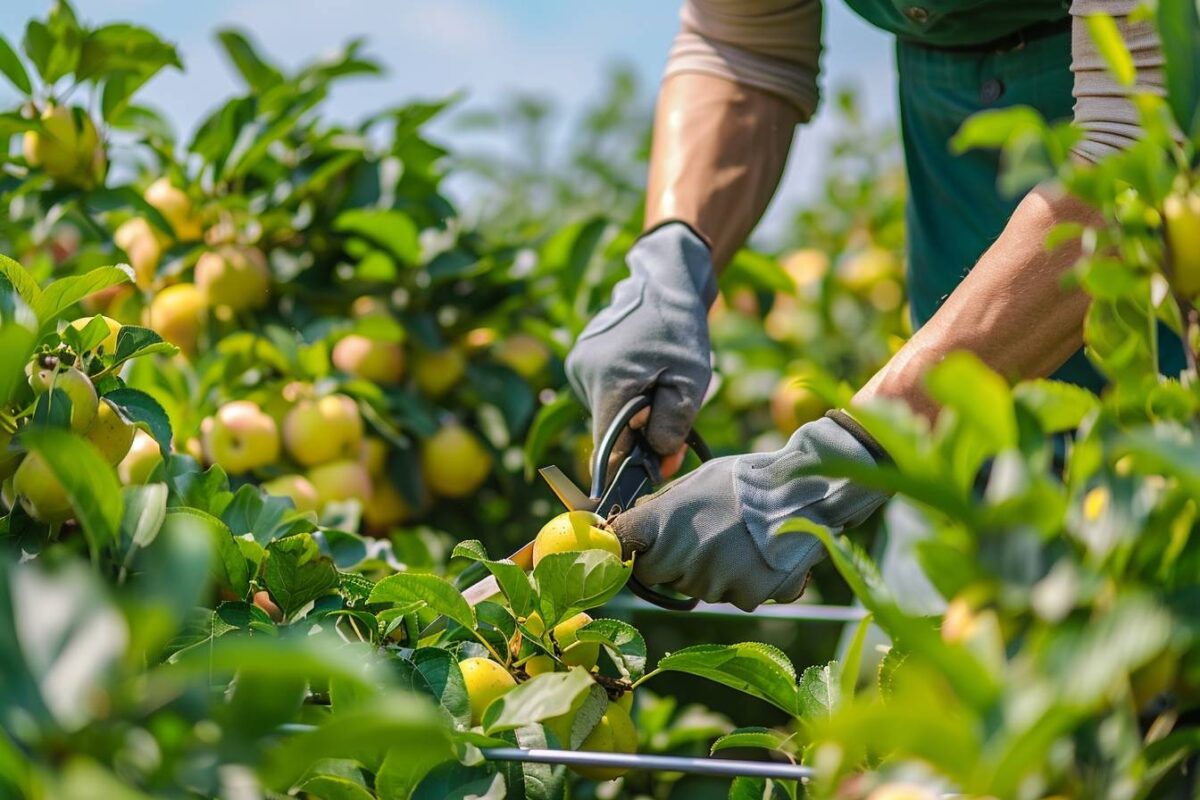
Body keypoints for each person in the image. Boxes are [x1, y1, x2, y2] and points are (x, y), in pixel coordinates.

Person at [565, 0, 1184, 612]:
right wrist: (668, 267)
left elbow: (1131, 163)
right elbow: (744, 46)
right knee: (927, 653)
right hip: (949, 317)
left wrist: (832, 467)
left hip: (1167, 313)